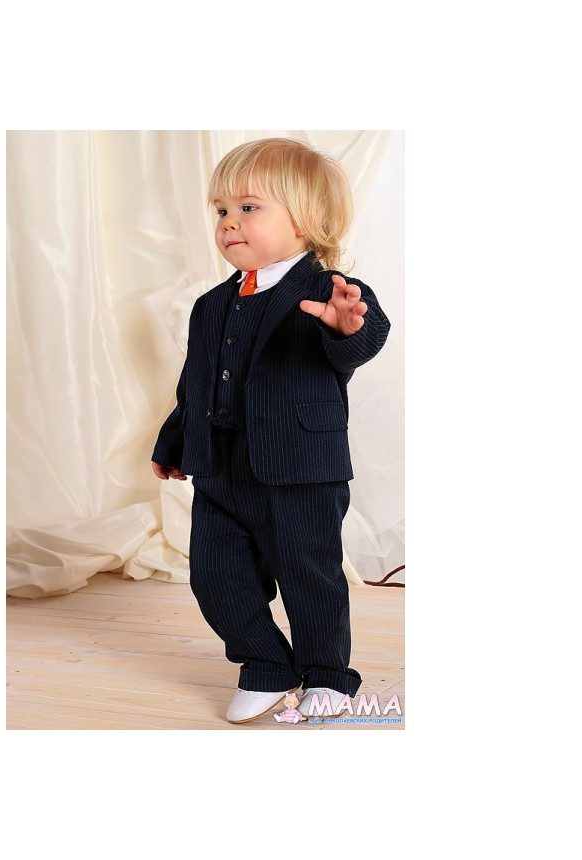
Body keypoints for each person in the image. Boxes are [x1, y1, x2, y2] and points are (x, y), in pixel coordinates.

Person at [151, 137, 390, 723]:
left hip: (299, 468)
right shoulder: (211, 306)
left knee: (309, 574)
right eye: (221, 210)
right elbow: (194, 385)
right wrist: (175, 441)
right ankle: (265, 665)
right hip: (221, 469)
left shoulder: (331, 294)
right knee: (215, 575)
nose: (229, 222)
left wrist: (345, 329)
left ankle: (328, 674)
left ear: (305, 219)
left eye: (248, 207)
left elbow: (362, 339)